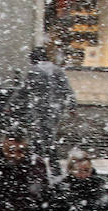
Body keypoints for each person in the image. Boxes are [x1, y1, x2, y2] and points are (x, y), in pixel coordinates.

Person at [24, 47, 76, 175]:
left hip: (40, 109)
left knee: (43, 138)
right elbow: (67, 89)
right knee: (45, 137)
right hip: (55, 109)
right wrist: (72, 106)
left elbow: (24, 90)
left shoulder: (34, 70)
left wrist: (10, 105)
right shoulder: (57, 70)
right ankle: (45, 166)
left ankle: (40, 166)